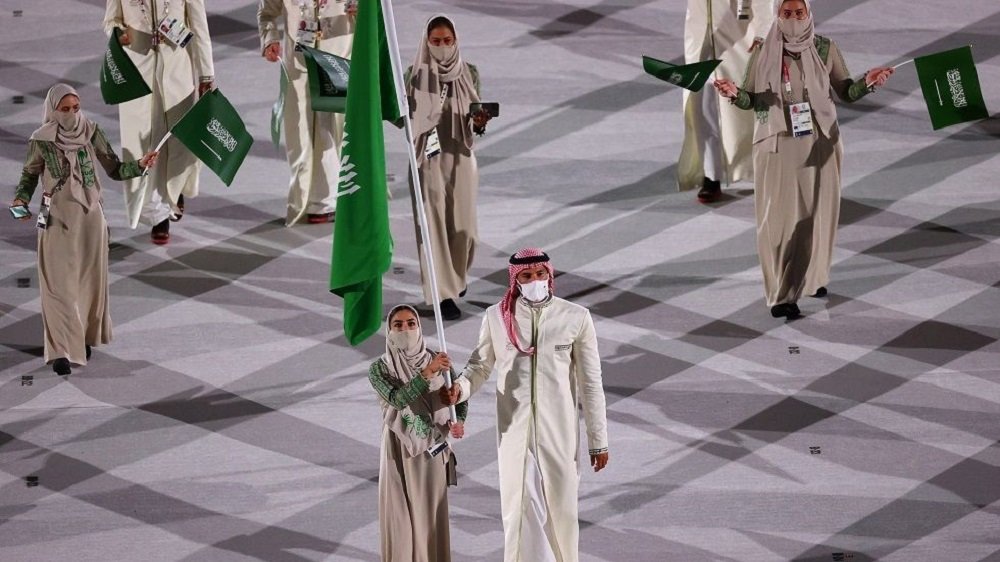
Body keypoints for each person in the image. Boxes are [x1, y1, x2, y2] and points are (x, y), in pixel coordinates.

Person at [713, 0, 893, 318]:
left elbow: (846, 91)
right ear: (778, 15)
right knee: (780, 222)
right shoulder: (762, 50)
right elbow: (750, 98)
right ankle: (782, 294)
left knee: (819, 216)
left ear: (808, 14)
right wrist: (733, 93)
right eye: (787, 13)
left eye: (799, 13)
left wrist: (868, 82)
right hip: (777, 145)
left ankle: (812, 278)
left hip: (821, 142)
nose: (793, 19)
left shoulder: (825, 48)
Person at [440, 248, 609, 562]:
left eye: (540, 274)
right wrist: (459, 389)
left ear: (549, 274)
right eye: (527, 276)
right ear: (515, 280)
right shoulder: (497, 317)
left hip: (559, 432)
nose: (534, 281)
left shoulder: (575, 317)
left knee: (562, 511)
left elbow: (591, 384)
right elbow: (479, 367)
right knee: (520, 509)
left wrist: (598, 441)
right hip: (514, 432)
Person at [11, 84, 158, 376]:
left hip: (91, 216)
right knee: (57, 285)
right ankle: (60, 351)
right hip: (57, 217)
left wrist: (140, 165)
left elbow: (115, 168)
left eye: (76, 108)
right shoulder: (41, 139)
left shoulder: (91, 131)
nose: (71, 114)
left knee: (90, 282)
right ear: (53, 110)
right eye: (65, 109)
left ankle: (83, 337)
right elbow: (29, 175)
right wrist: (20, 202)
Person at [103, 0, 215, 244]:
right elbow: (110, 21)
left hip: (178, 70)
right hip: (137, 72)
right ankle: (159, 214)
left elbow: (199, 26)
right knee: (144, 142)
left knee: (182, 141)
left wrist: (206, 74)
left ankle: (176, 188)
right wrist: (118, 34)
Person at [407, 15, 492, 321]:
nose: (442, 47)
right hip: (428, 159)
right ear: (426, 42)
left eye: (447, 41)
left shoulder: (469, 72)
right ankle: (442, 294)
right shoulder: (413, 75)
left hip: (461, 156)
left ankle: (456, 277)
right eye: (436, 41)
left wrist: (480, 121)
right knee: (433, 229)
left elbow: (476, 119)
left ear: (456, 41)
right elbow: (400, 119)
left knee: (466, 229)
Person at [368, 304, 467, 562]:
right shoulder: (380, 368)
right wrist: (427, 373)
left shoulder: (438, 360)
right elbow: (398, 400)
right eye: (398, 325)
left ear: (420, 327)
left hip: (432, 448)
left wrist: (459, 418)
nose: (406, 329)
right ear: (389, 330)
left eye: (411, 323)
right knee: (400, 517)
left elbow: (459, 397)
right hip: (398, 448)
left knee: (429, 515)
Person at [258, 0, 356, 226]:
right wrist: (270, 38)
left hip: (338, 57)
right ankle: (307, 198)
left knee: (332, 128)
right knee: (299, 130)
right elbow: (266, 13)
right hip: (298, 60)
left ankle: (326, 201)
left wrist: (364, 11)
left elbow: (376, 13)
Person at [679, 0, 773, 202]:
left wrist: (763, 32)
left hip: (740, 38)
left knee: (747, 109)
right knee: (703, 107)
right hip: (701, 37)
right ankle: (711, 175)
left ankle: (764, 169)